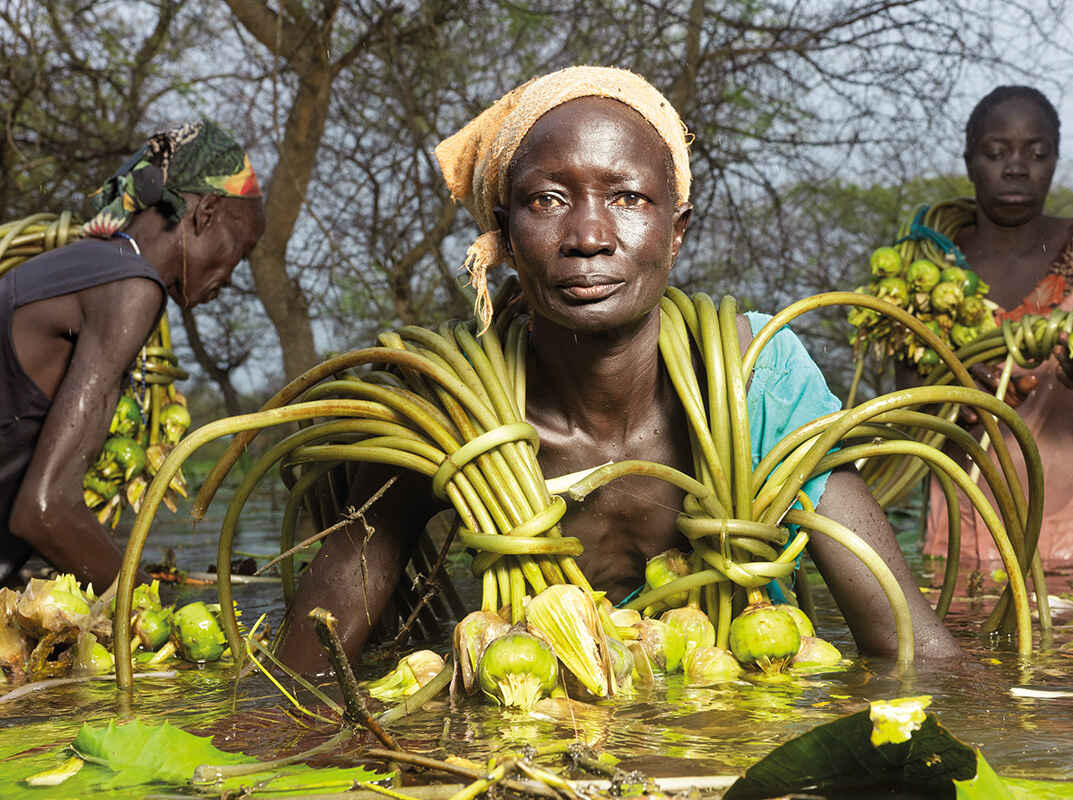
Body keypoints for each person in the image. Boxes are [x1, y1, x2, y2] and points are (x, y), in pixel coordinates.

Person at [275, 66, 961, 673]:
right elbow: (299, 672)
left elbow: (913, 648)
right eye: (548, 200)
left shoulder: (758, 378)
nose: (590, 238)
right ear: (506, 236)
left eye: (628, 197)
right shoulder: (448, 409)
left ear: (678, 228)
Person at [1, 119, 266, 589]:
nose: (230, 275)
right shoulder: (130, 288)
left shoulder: (87, 264)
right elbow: (44, 509)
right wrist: (149, 609)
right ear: (205, 212)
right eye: (239, 251)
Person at [922, 86, 1073, 568]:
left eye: (1036, 153)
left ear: (1055, 160)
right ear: (969, 159)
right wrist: (957, 389)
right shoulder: (932, 262)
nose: (1016, 167)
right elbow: (908, 413)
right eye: (996, 152)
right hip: (964, 534)